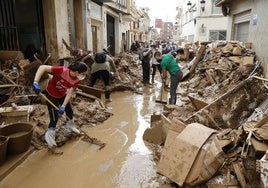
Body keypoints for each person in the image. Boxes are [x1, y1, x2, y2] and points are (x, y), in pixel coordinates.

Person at [33, 61, 88, 153]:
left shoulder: (77, 79)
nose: (83, 76)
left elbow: (70, 92)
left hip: (62, 94)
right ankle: (51, 144)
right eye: (83, 73)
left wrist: (63, 106)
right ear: (77, 72)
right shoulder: (62, 70)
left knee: (69, 112)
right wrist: (36, 81)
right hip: (51, 94)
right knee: (54, 119)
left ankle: (70, 127)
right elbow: (42, 67)